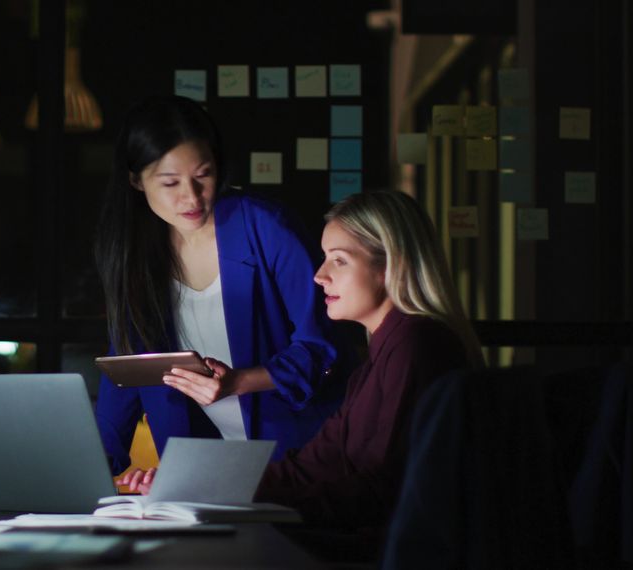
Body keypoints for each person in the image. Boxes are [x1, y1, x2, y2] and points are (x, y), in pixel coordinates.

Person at [93, 95, 346, 489]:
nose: (191, 197)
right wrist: (89, 464)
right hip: (205, 468)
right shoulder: (136, 254)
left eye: (203, 175)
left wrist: (239, 381)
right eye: (171, 182)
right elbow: (128, 365)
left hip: (301, 457)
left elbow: (323, 344)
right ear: (134, 179)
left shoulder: (265, 227)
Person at [253, 189, 484, 532]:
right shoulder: (382, 354)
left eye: (339, 260)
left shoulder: (416, 345)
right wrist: (209, 489)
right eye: (325, 257)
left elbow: (382, 492)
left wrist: (252, 503)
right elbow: (312, 466)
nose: (319, 275)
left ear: (391, 265)